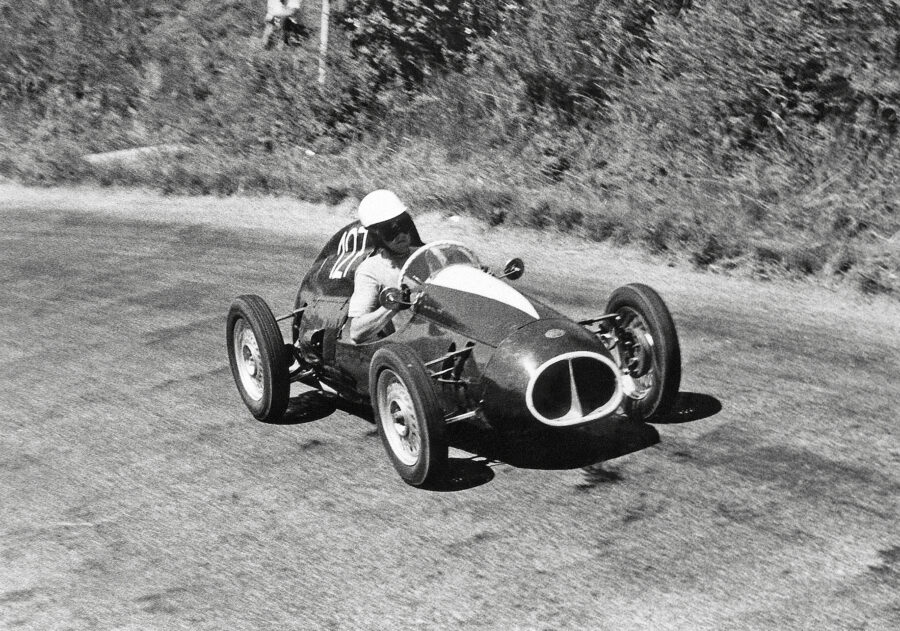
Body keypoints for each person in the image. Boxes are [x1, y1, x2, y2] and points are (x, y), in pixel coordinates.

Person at [347, 190, 421, 343]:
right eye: (391, 230)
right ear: (376, 235)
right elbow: (356, 331)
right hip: (408, 346)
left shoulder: (427, 255)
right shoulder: (370, 270)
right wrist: (391, 307)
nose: (401, 234)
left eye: (404, 225)